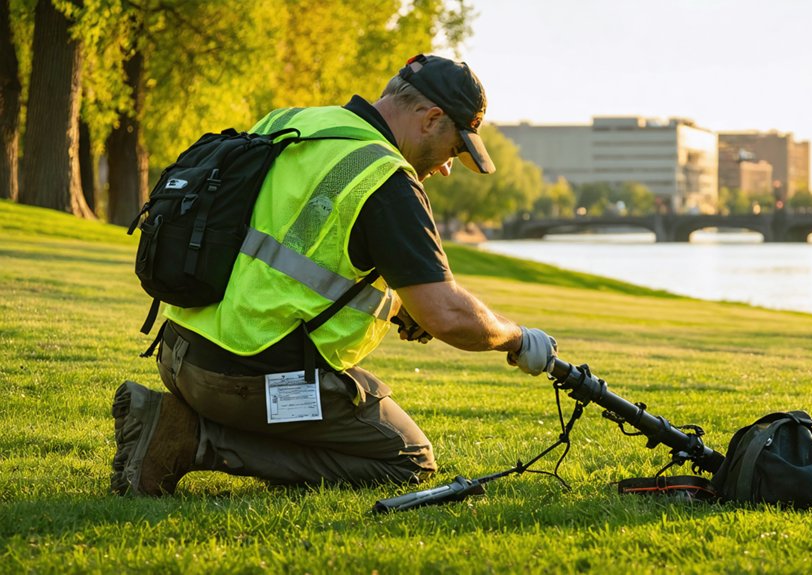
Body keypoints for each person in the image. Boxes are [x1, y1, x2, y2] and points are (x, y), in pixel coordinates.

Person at [111, 54, 558, 496]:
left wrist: (400, 307)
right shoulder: (386, 177)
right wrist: (518, 339)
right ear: (431, 118)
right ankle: (191, 440)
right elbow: (446, 314)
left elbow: (274, 252)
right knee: (406, 458)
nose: (445, 166)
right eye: (454, 148)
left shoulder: (296, 122)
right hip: (242, 380)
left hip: (181, 351)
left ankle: (185, 422)